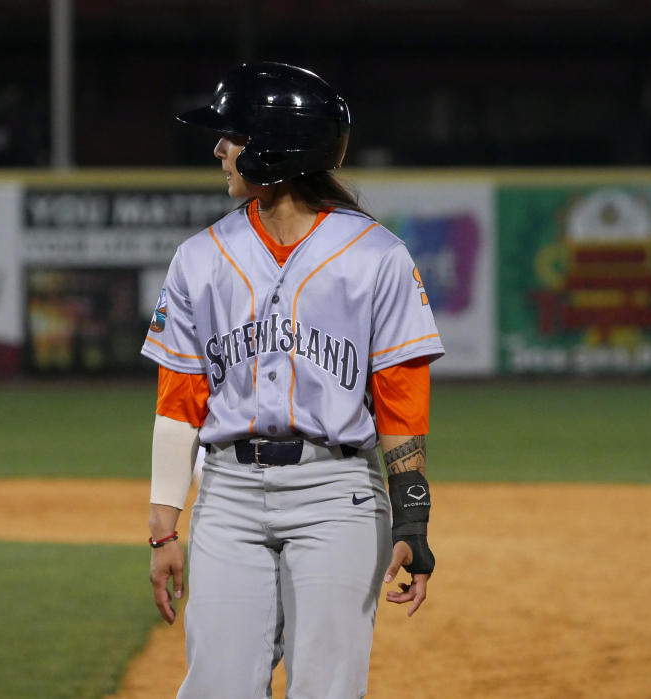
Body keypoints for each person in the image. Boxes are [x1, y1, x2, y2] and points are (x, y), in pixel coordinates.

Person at [141, 61, 444, 699]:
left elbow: (400, 399)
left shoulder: (376, 256)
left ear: (276, 147)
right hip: (226, 492)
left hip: (338, 494)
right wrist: (164, 526)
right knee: (217, 688)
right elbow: (179, 400)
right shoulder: (199, 257)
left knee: (326, 690)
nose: (221, 149)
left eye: (234, 136)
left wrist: (412, 519)